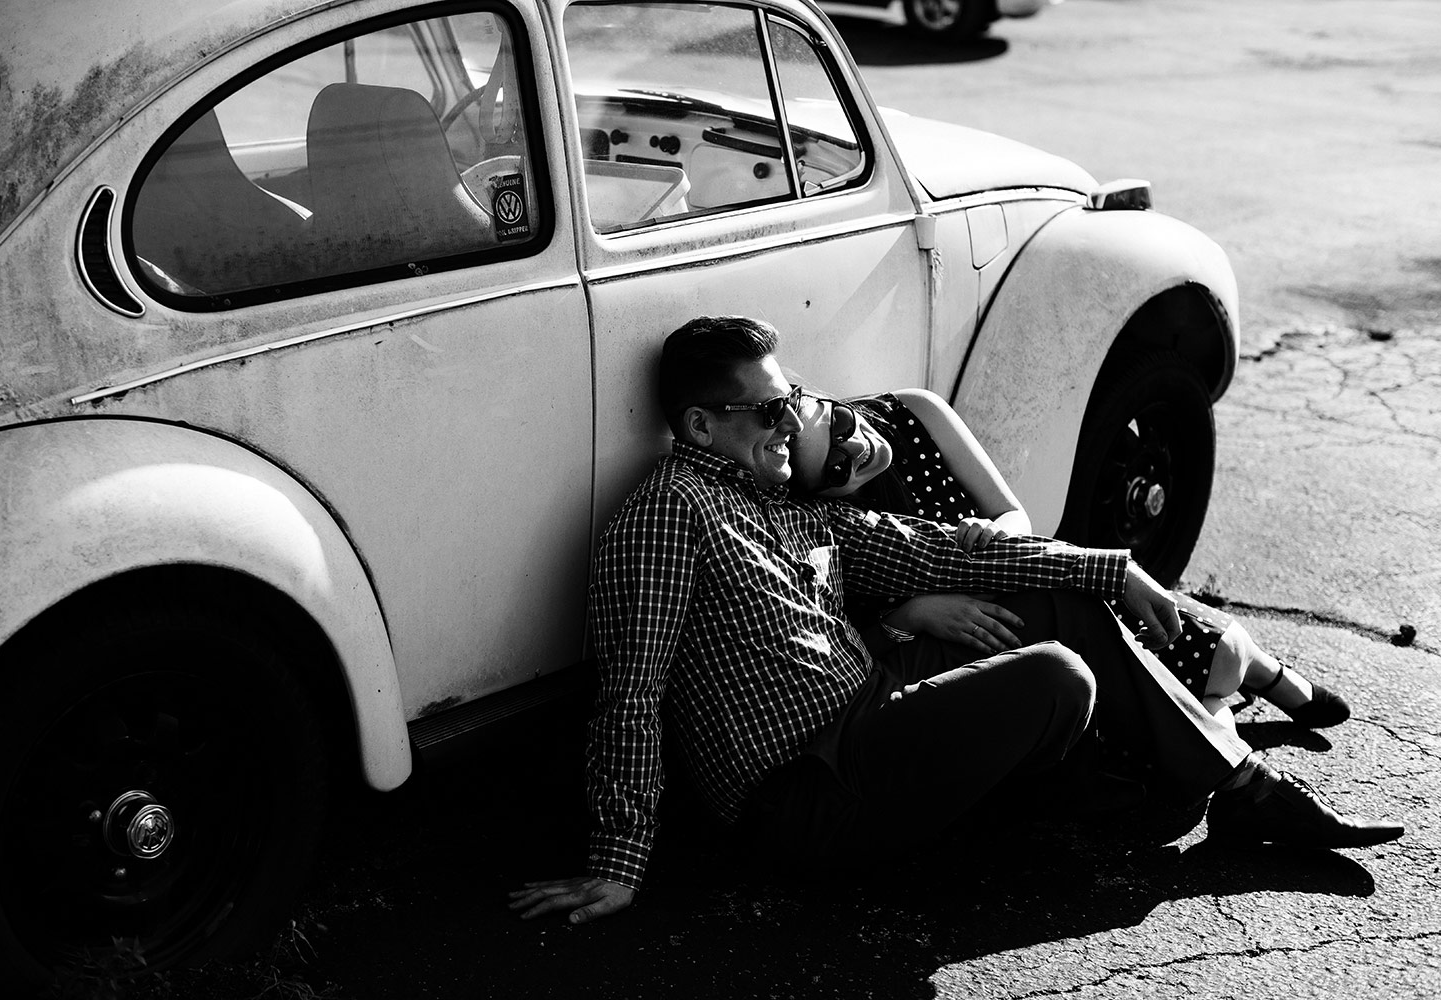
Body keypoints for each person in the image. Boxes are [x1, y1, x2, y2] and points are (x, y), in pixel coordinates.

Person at [508, 316, 1402, 927]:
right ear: (701, 426)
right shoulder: (670, 513)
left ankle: (1244, 791)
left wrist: (1117, 567)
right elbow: (630, 692)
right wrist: (617, 862)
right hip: (805, 789)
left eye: (793, 399)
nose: (789, 423)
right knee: (1056, 673)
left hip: (870, 713)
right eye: (768, 410)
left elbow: (951, 553)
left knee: (1063, 603)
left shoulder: (794, 509)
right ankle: (1154, 784)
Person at [784, 386, 1350, 731]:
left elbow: (1015, 515)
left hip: (1039, 573)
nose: (854, 448)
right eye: (835, 467)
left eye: (839, 424)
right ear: (816, 490)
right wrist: (912, 615)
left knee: (1215, 657)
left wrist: (995, 530)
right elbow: (842, 642)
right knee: (1212, 665)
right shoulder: (829, 524)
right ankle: (1254, 695)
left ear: (826, 399)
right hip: (996, 634)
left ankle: (1264, 685)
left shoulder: (913, 409)